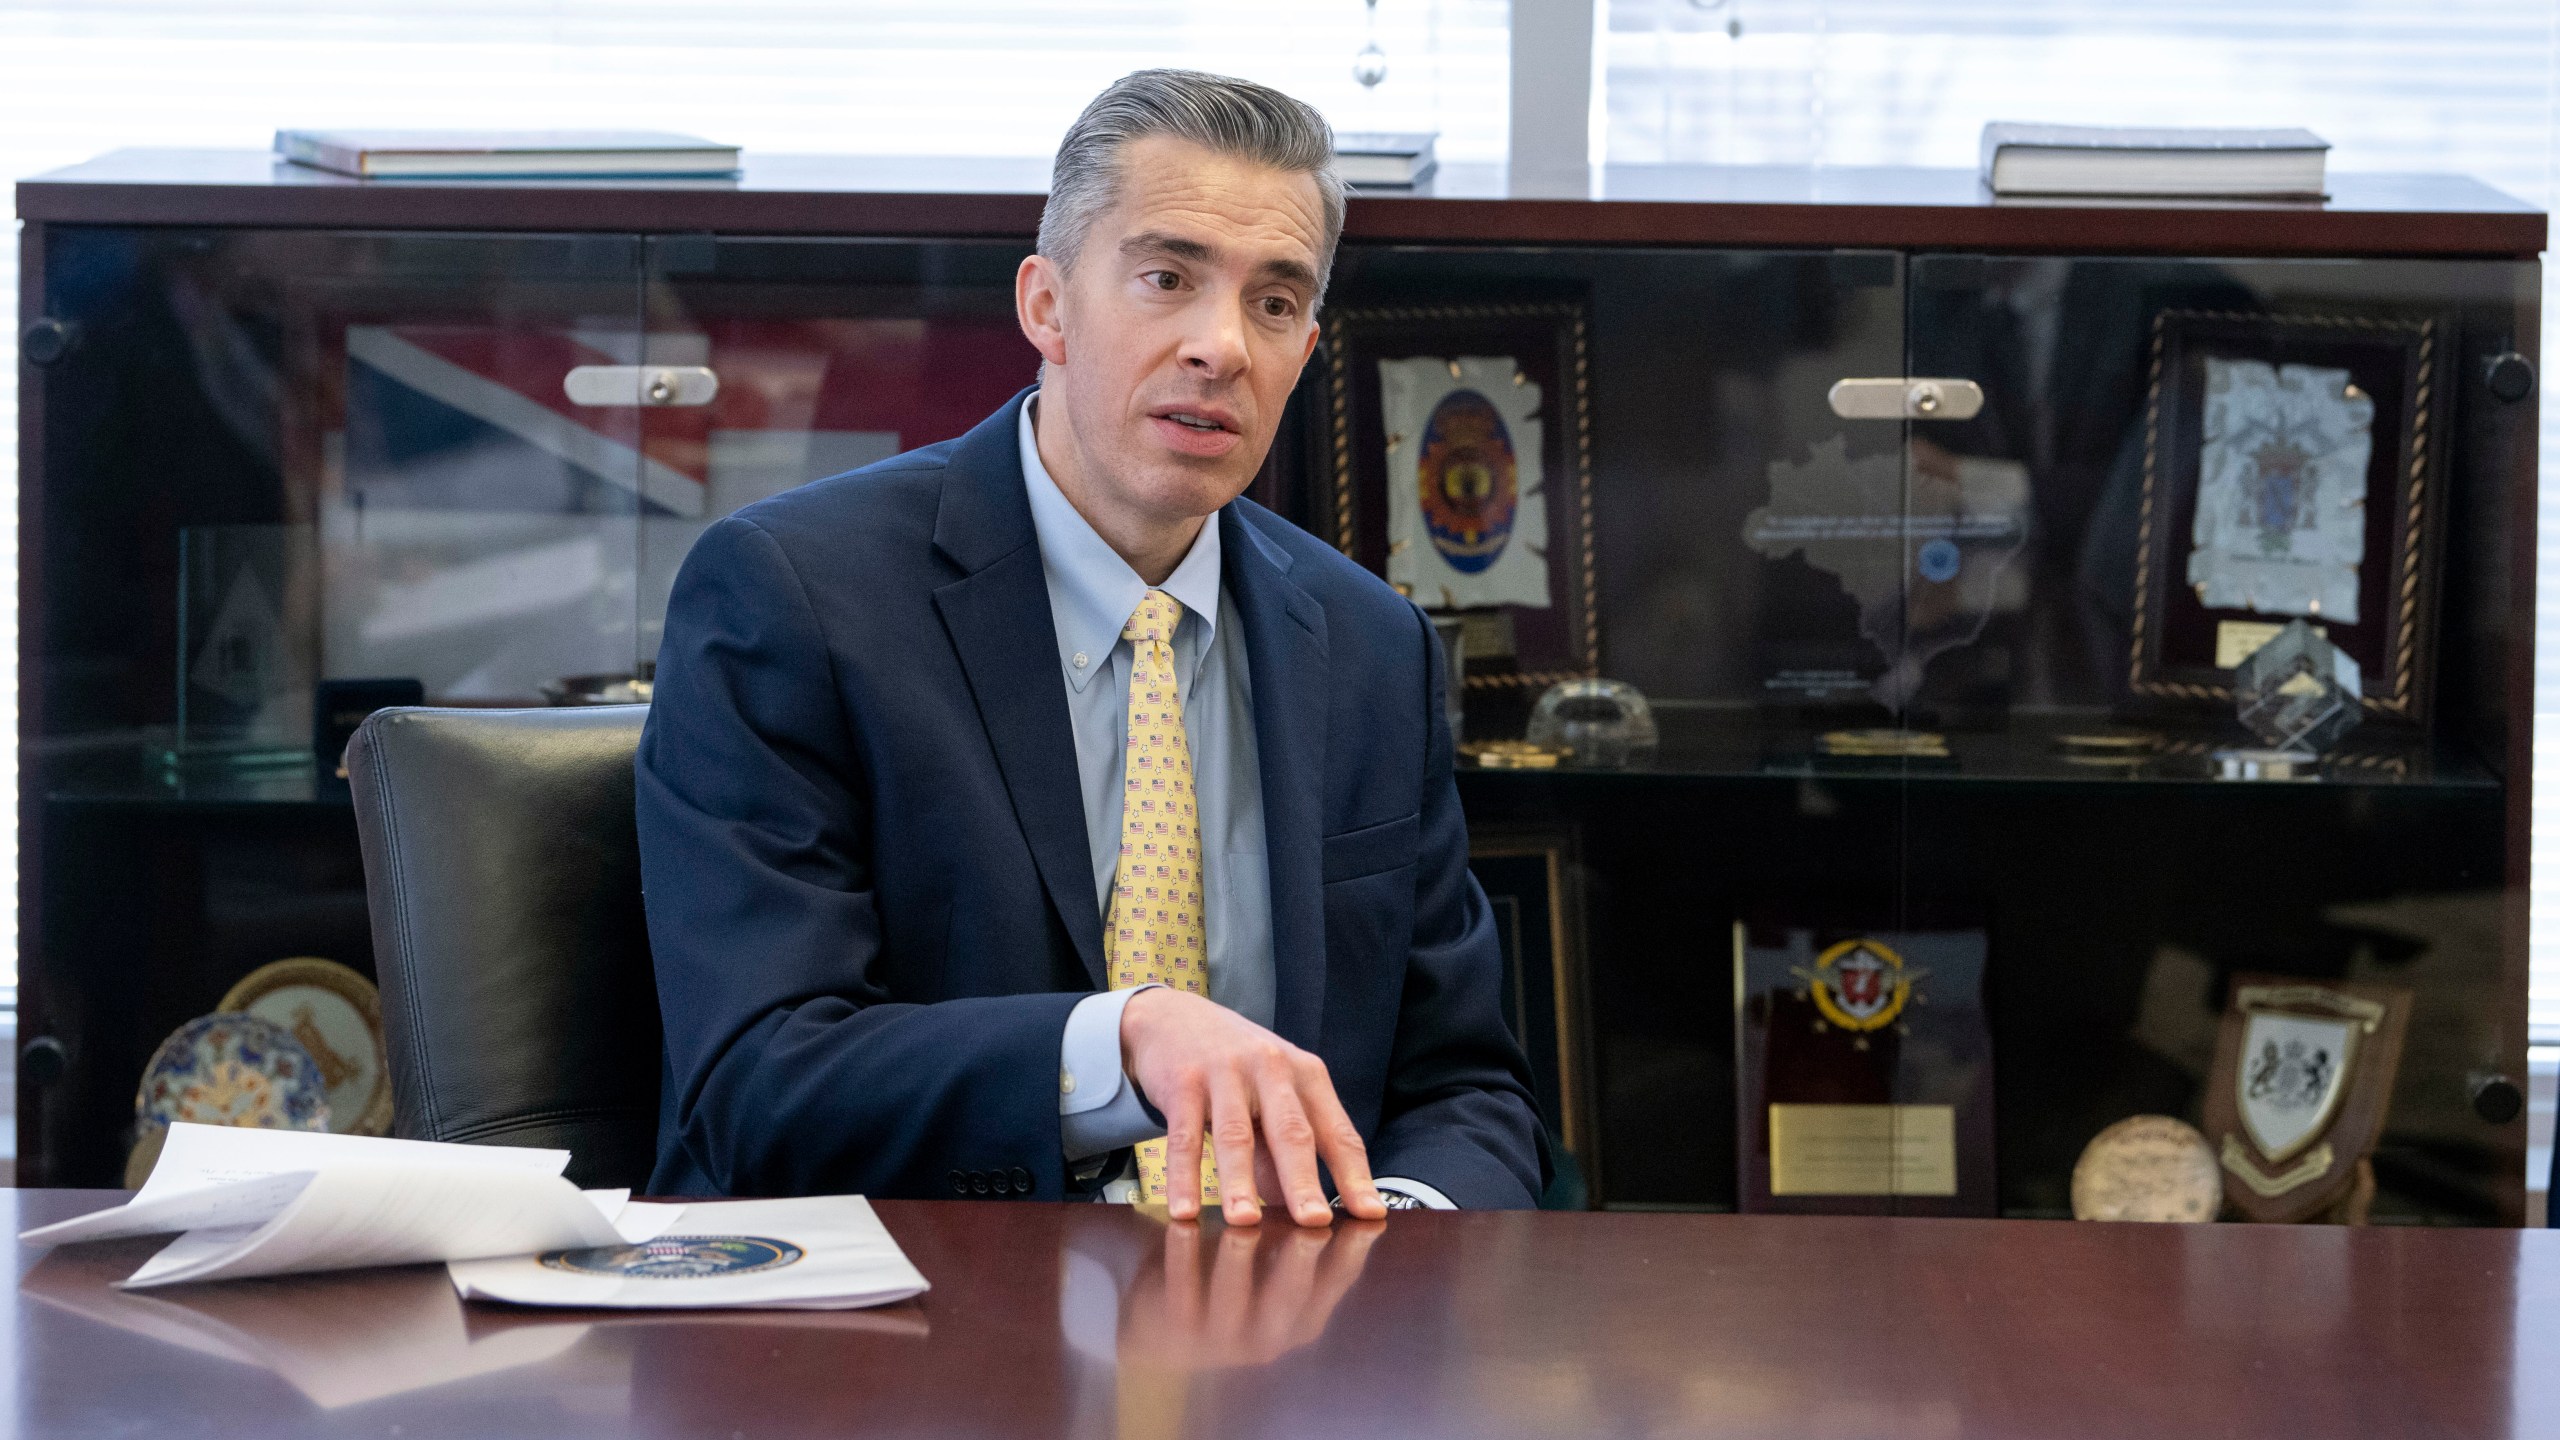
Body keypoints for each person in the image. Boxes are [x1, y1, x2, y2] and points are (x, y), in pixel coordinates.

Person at [638, 68, 1546, 1225]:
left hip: (1286, 1337)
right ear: (1047, 306)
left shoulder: (1372, 645)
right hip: (928, 1330)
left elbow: (1466, 1088)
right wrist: (1119, 1043)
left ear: (1308, 346)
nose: (1220, 347)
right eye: (1166, 279)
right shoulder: (793, 594)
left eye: (1273, 304)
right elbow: (757, 1081)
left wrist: (1392, 1246)